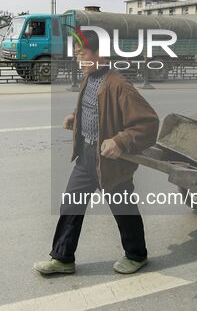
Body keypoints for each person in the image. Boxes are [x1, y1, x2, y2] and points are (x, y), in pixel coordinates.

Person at [34, 34, 159, 275]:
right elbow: (91, 106)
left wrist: (120, 141)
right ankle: (62, 258)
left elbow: (148, 123)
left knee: (123, 209)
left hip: (112, 161)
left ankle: (136, 255)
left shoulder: (119, 85)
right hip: (86, 156)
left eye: (82, 54)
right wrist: (75, 118)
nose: (78, 58)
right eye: (77, 54)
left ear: (99, 55)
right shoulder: (90, 77)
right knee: (71, 204)